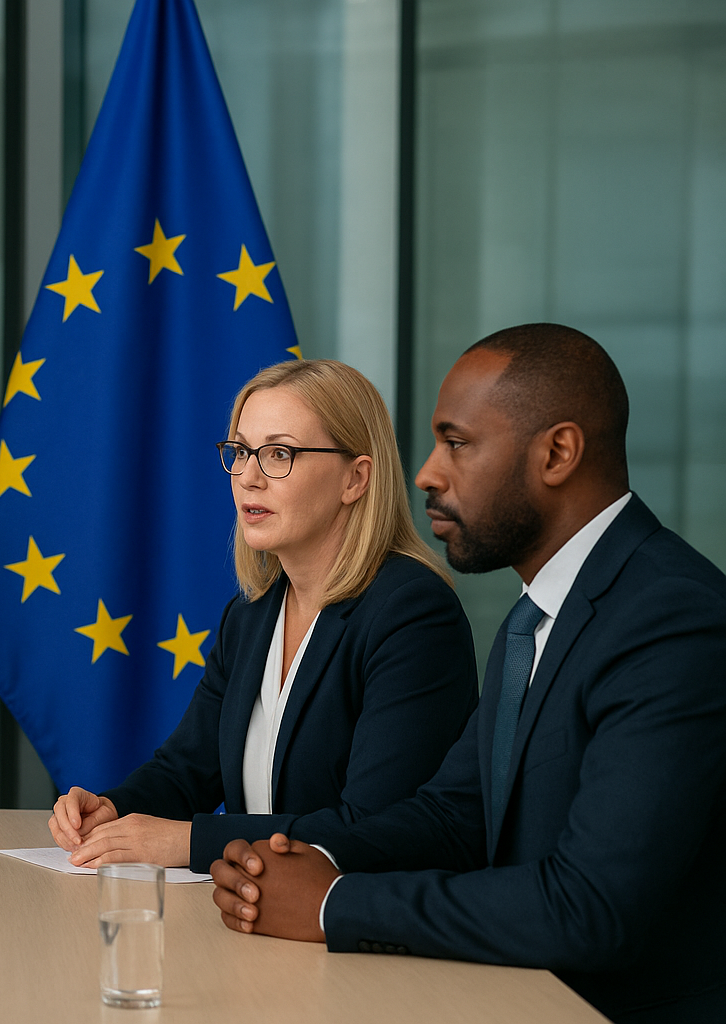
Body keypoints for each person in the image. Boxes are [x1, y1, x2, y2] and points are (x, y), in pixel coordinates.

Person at [209, 325, 726, 1024]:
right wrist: (291, 858)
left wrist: (334, 904)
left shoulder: (670, 617)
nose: (424, 472)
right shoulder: (538, 614)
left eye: (456, 443)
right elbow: (455, 815)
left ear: (558, 453)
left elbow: (591, 906)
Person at [49, 359, 479, 873]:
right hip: (256, 918)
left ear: (356, 479)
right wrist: (113, 809)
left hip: (355, 936)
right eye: (241, 452)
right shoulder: (251, 615)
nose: (248, 478)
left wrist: (190, 843)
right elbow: (186, 770)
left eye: (279, 454)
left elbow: (374, 825)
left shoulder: (412, 613)